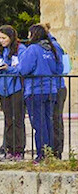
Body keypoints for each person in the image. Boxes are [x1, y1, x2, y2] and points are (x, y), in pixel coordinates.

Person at [18, 24, 63, 162]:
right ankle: (50, 152)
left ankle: (42, 154)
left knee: (39, 124)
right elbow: (59, 69)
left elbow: (23, 69)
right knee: (49, 122)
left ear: (34, 35)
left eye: (29, 34)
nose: (27, 36)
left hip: (35, 90)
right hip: (51, 89)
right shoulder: (52, 49)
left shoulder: (33, 49)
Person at [0, 25, 26, 161]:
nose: (2, 41)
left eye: (4, 38)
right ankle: (9, 149)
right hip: (3, 88)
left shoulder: (21, 49)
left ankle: (19, 150)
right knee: (8, 120)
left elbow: (23, 68)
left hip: (16, 87)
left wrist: (9, 69)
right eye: (0, 38)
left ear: (11, 37)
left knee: (17, 119)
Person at [44, 24, 68, 159]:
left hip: (57, 86)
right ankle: (53, 149)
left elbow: (59, 67)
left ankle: (57, 150)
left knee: (55, 119)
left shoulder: (53, 46)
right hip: (53, 86)